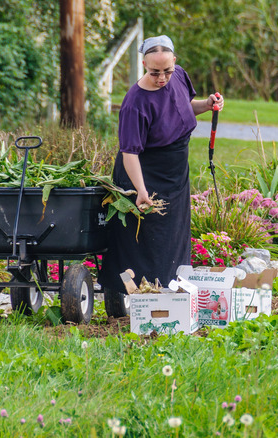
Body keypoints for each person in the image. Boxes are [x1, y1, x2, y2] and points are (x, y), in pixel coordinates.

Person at [98, 35, 224, 316]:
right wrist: (140, 191)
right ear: (144, 64)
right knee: (146, 240)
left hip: (175, 173)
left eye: (167, 70)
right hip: (145, 174)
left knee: (174, 236)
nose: (162, 77)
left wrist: (207, 104)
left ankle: (171, 297)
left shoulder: (178, 77)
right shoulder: (135, 103)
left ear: (175, 63)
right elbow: (130, 153)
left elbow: (182, 110)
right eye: (155, 72)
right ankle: (139, 303)